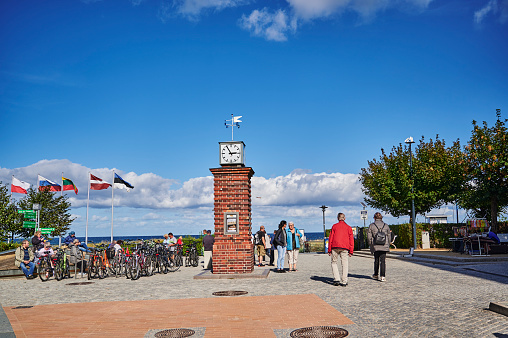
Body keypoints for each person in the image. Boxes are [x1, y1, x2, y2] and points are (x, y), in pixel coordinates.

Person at [328, 213, 354, 286]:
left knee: (334, 262)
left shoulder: (334, 226)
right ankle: (344, 280)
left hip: (335, 246)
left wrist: (329, 249)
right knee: (344, 264)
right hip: (344, 247)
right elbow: (351, 240)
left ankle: (337, 279)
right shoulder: (348, 227)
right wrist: (351, 250)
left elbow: (331, 238)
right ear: (344, 218)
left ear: (337, 218)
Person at [367, 212, 391, 282]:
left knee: (376, 260)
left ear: (374, 218)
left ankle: (376, 274)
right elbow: (389, 236)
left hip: (376, 245)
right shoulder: (386, 225)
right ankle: (383, 276)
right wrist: (388, 244)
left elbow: (369, 237)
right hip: (384, 245)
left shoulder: (371, 225)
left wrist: (371, 244)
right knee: (383, 261)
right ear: (381, 218)